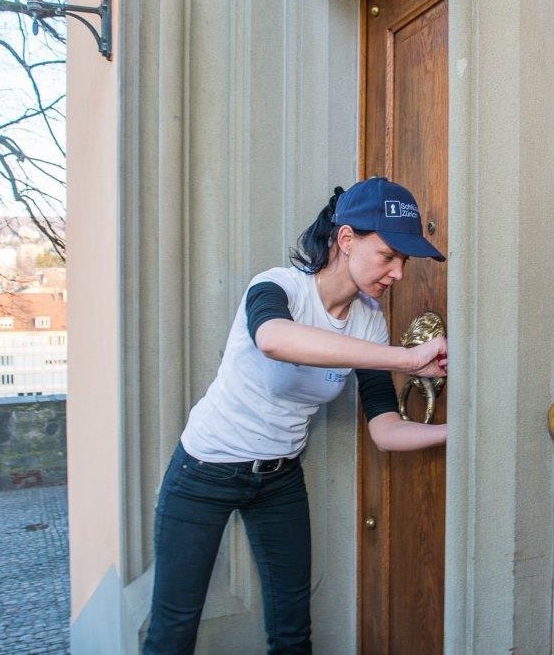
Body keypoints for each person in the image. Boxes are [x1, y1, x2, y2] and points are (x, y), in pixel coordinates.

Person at [143, 177, 448, 654]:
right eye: (389, 256)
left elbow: (385, 429)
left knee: (292, 632)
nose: (398, 273)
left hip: (279, 479)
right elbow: (274, 339)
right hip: (204, 471)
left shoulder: (369, 320)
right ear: (346, 239)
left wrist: (461, 430)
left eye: (404, 261)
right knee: (173, 629)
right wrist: (406, 359)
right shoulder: (278, 286)